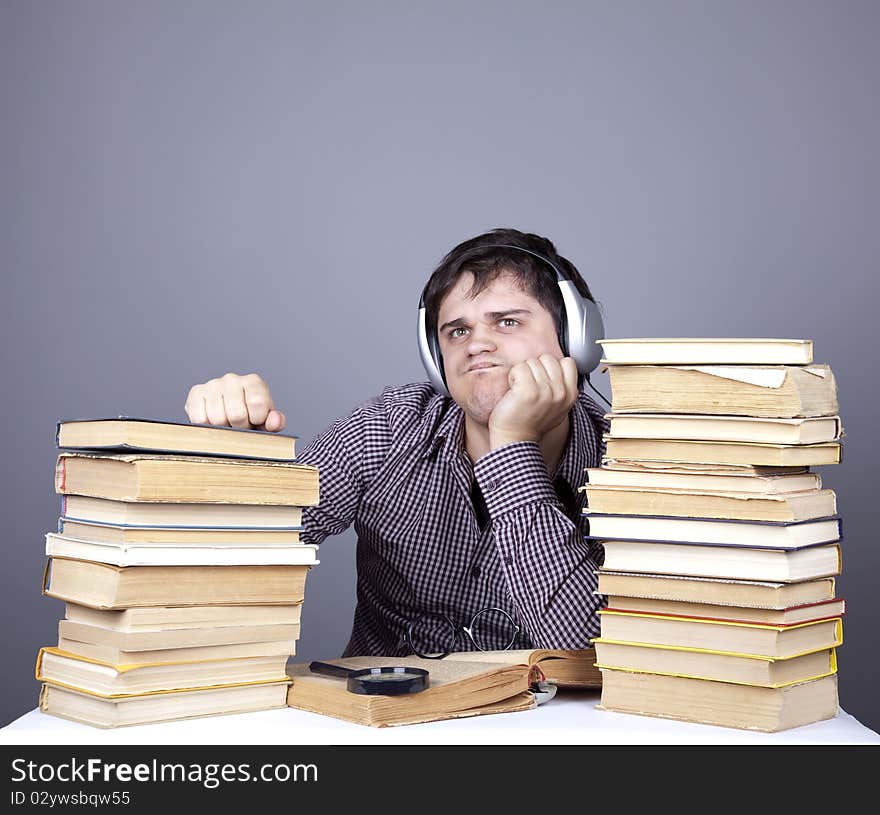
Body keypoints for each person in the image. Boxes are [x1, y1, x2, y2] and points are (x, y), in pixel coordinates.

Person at [184, 228, 609, 657]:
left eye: (508, 321)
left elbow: (585, 647)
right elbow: (230, 557)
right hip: (384, 715)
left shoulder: (629, 465)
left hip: (549, 721)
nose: (477, 343)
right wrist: (234, 457)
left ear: (576, 338)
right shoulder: (386, 428)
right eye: (457, 332)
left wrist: (513, 446)